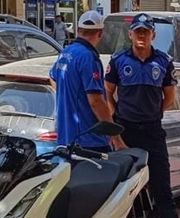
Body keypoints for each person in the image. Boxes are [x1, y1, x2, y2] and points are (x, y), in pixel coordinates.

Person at [105, 13, 180, 218]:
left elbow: (169, 97)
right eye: (137, 31)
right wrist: (116, 119)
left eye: (145, 32)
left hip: (152, 131)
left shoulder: (163, 61)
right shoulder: (118, 60)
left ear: (153, 35)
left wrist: (153, 112)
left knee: (163, 190)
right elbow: (108, 93)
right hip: (126, 131)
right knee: (123, 191)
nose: (141, 35)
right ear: (130, 34)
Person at [49, 10, 126, 153]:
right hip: (89, 141)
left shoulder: (65, 53)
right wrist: (116, 139)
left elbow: (53, 78)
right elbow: (96, 101)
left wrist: (69, 99)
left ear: (78, 31)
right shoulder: (88, 58)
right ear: (100, 33)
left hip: (66, 139)